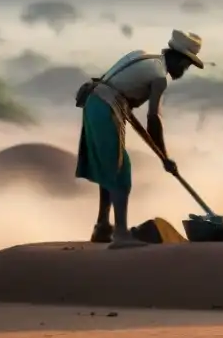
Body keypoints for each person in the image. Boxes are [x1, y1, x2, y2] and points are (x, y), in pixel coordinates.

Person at [75, 30, 204, 248]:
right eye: (187, 64)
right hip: (107, 108)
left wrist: (162, 155)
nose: (185, 69)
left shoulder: (142, 56)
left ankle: (103, 226)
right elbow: (153, 119)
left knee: (109, 167)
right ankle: (121, 235)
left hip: (94, 104)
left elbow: (115, 87)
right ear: (178, 58)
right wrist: (165, 157)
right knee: (120, 171)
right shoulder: (160, 76)